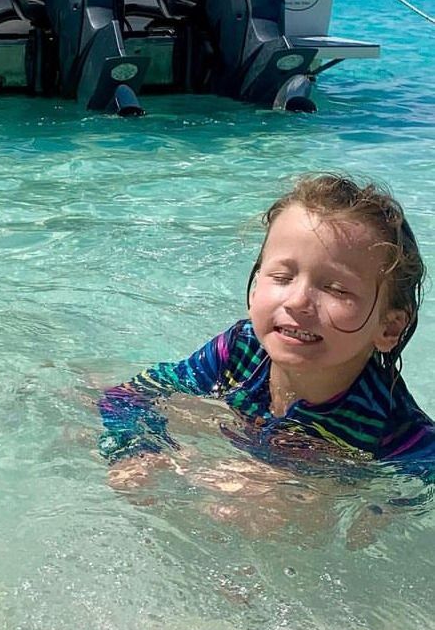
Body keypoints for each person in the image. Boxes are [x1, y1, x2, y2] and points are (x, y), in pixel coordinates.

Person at [98, 174, 435, 488]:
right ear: (257, 284)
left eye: (335, 288)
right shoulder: (239, 350)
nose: (298, 300)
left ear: (389, 327)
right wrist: (137, 448)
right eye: (282, 277)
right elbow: (128, 395)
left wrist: (296, 487)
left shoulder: (389, 426)